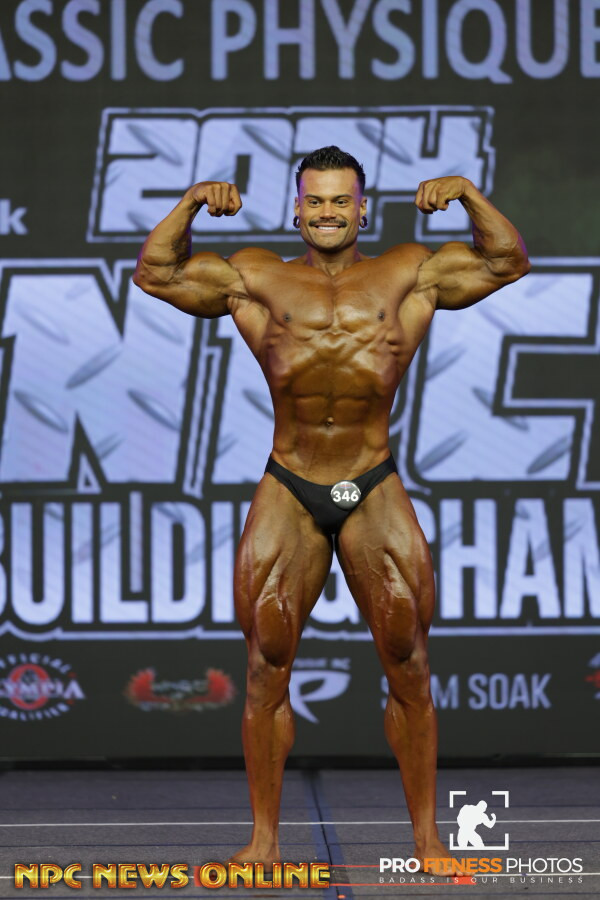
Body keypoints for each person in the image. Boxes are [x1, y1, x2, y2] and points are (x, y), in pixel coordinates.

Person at [133, 146, 530, 872]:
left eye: (340, 201)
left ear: (362, 209)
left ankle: (427, 842)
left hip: (370, 479)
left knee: (408, 657)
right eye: (314, 201)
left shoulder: (408, 272)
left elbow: (507, 262)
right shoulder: (258, 276)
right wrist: (189, 204)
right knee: (266, 662)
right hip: (291, 481)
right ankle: (263, 841)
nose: (327, 213)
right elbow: (155, 273)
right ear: (296, 210)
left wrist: (470, 194)